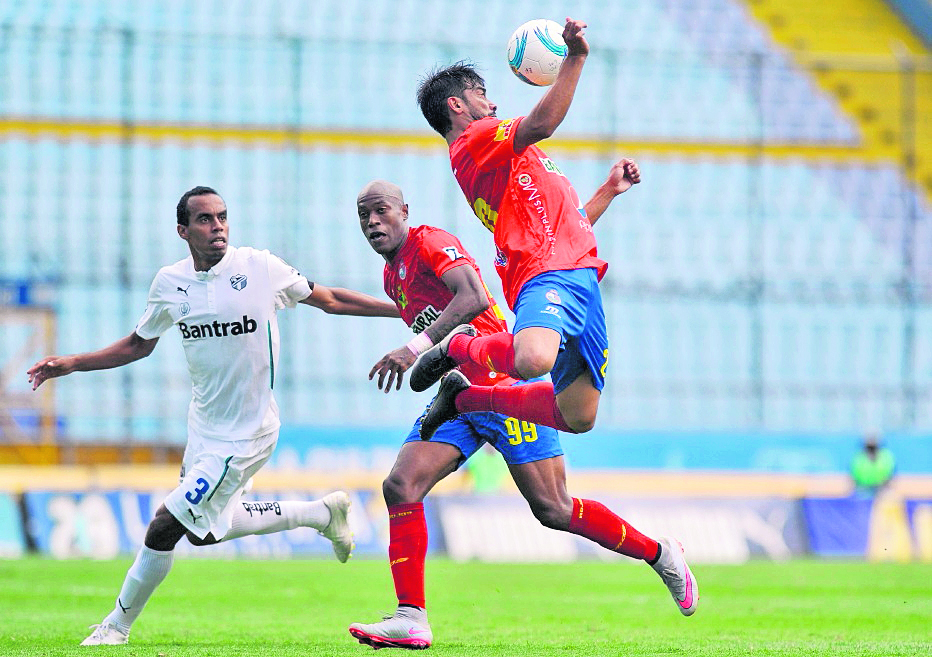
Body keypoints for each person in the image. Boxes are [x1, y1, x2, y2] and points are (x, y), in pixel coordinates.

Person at [27, 186, 400, 646]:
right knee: (204, 533)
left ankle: (115, 627)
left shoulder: (260, 268)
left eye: (222, 217)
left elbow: (330, 299)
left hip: (249, 433)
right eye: (205, 219)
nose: (218, 226)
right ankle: (320, 513)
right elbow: (139, 344)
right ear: (183, 230)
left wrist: (404, 311)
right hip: (203, 429)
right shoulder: (170, 282)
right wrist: (72, 363)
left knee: (166, 522)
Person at [346, 181, 697, 651]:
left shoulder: (429, 241)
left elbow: (471, 297)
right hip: (456, 392)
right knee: (400, 486)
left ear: (404, 211)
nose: (373, 223)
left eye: (381, 211)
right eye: (364, 216)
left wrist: (413, 349)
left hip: (499, 383)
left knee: (553, 509)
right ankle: (412, 616)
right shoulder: (393, 276)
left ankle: (659, 553)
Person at [410, 18, 633, 449]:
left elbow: (571, 228)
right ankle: (461, 346)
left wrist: (609, 190)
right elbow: (542, 123)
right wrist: (576, 57)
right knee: (532, 358)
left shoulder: (520, 164)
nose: (492, 104)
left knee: (578, 416)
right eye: (482, 94)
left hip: (580, 275)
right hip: (542, 273)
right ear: (457, 105)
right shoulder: (473, 140)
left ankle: (466, 401)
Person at [851, 431, 896, 495]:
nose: (871, 443)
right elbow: (854, 477)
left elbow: (890, 474)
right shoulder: (859, 457)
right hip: (863, 490)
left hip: (882, 489)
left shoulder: (886, 456)